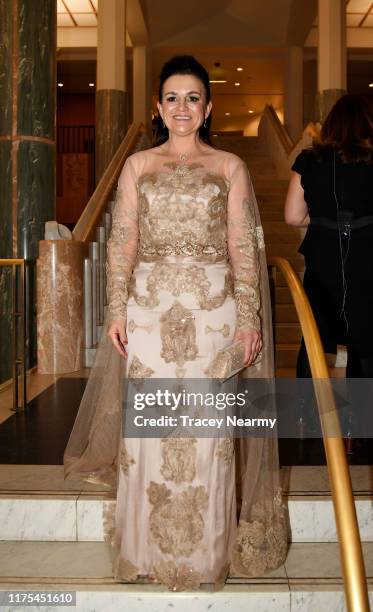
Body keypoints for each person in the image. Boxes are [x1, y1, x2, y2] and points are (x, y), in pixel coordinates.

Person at [64, 55, 287, 591]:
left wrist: (249, 321)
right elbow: (122, 245)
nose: (181, 108)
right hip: (149, 315)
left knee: (210, 435)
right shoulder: (138, 165)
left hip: (215, 317)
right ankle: (143, 551)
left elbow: (242, 249)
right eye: (172, 98)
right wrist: (115, 310)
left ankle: (206, 557)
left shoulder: (230, 166)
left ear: (207, 107)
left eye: (192, 98)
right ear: (158, 108)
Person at [285, 94, 373, 380]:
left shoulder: (309, 160)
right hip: (367, 259)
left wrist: (325, 220)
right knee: (367, 340)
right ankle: (362, 416)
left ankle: (306, 414)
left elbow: (293, 216)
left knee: (314, 336)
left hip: (322, 260)